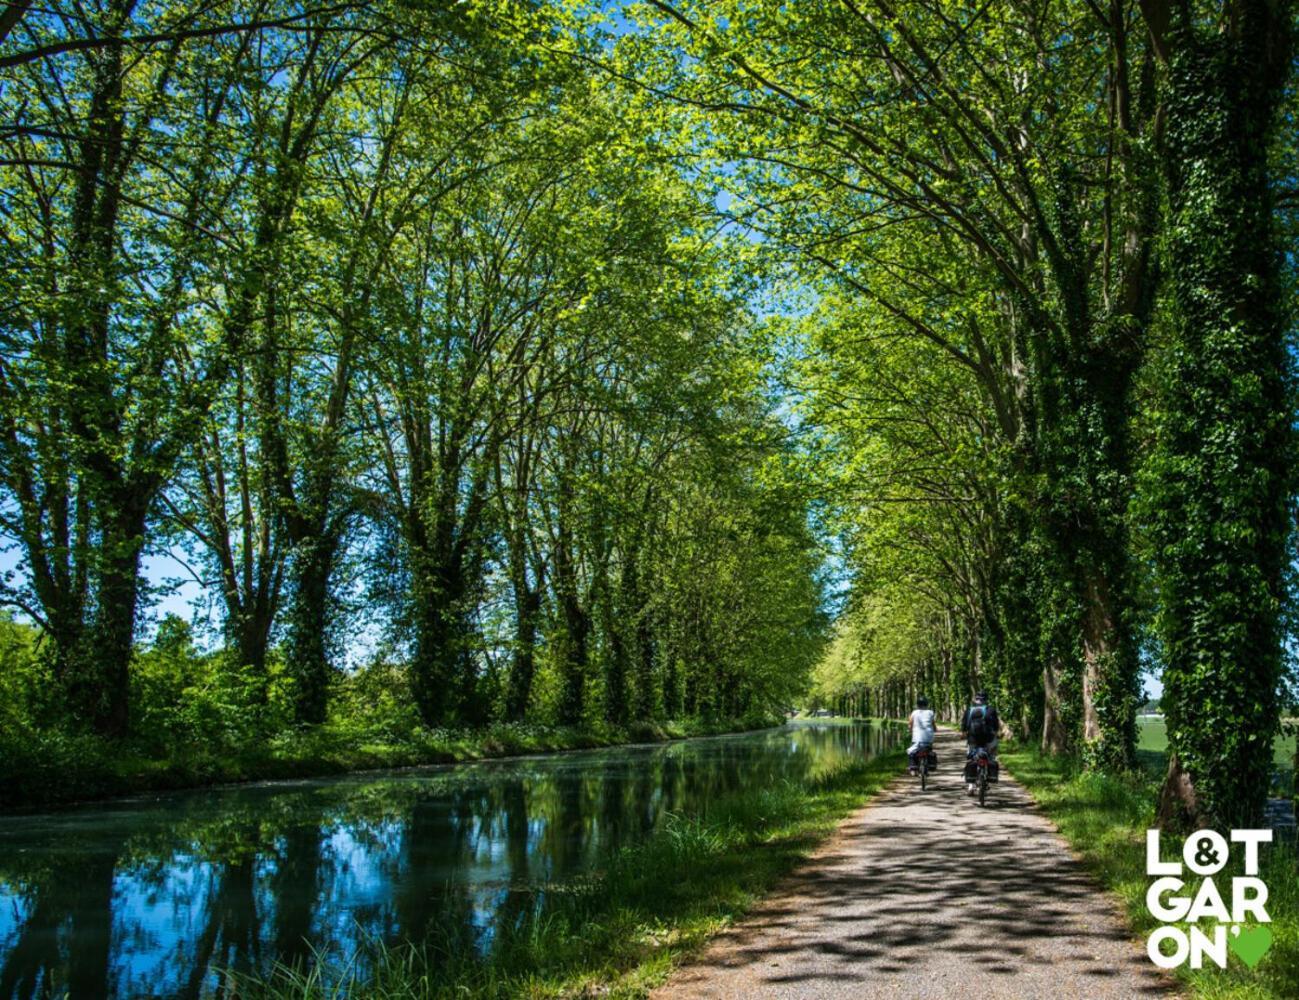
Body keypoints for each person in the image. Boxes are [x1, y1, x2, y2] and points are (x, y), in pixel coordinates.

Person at [960, 691, 1000, 794]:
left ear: (976, 699)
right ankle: (989, 775)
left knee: (971, 757)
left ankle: (970, 786)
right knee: (991, 755)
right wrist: (996, 734)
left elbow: (964, 725)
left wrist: (963, 734)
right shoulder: (991, 709)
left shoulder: (969, 710)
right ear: (986, 699)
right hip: (988, 739)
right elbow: (996, 726)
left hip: (973, 739)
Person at [907, 697, 937, 774]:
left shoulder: (914, 712)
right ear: (927, 704)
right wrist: (935, 730)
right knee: (929, 749)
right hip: (928, 737)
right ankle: (930, 764)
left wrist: (910, 730)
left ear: (917, 705)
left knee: (913, 751)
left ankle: (913, 769)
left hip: (917, 738)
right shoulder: (930, 712)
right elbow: (933, 724)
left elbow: (910, 724)